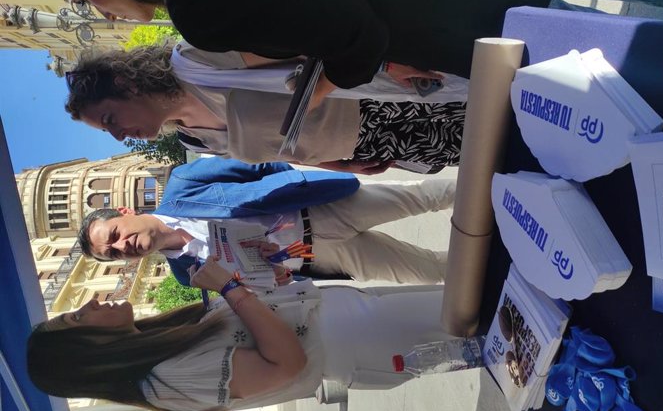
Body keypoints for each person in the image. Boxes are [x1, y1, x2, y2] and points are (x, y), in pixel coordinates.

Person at [31, 0, 663, 93]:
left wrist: (328, 80)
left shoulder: (199, 6)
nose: (97, 11)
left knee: (640, 64)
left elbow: (351, 27)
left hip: (462, 14)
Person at [28, 256, 464, 411]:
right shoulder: (165, 382)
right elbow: (286, 365)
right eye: (74, 319)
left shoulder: (162, 342)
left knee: (467, 304)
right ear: (84, 351)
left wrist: (265, 285)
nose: (87, 307)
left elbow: (257, 326)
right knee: (479, 317)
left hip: (352, 317)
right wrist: (231, 290)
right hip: (357, 340)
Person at [65, 43, 466, 174]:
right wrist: (342, 165)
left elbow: (304, 41)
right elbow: (282, 149)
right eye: (109, 134)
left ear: (125, 83)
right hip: (374, 145)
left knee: (503, 111)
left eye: (111, 119)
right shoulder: (193, 138)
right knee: (491, 153)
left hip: (383, 102)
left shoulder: (197, 59)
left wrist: (384, 62)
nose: (120, 136)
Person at [79, 157, 454, 284]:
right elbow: (252, 289)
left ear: (125, 214)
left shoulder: (183, 183)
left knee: (425, 197)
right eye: (113, 254)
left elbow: (257, 166)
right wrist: (277, 280)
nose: (121, 247)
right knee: (425, 271)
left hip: (321, 207)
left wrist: (295, 183)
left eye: (114, 235)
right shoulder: (187, 275)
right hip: (318, 257)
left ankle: (497, 190)